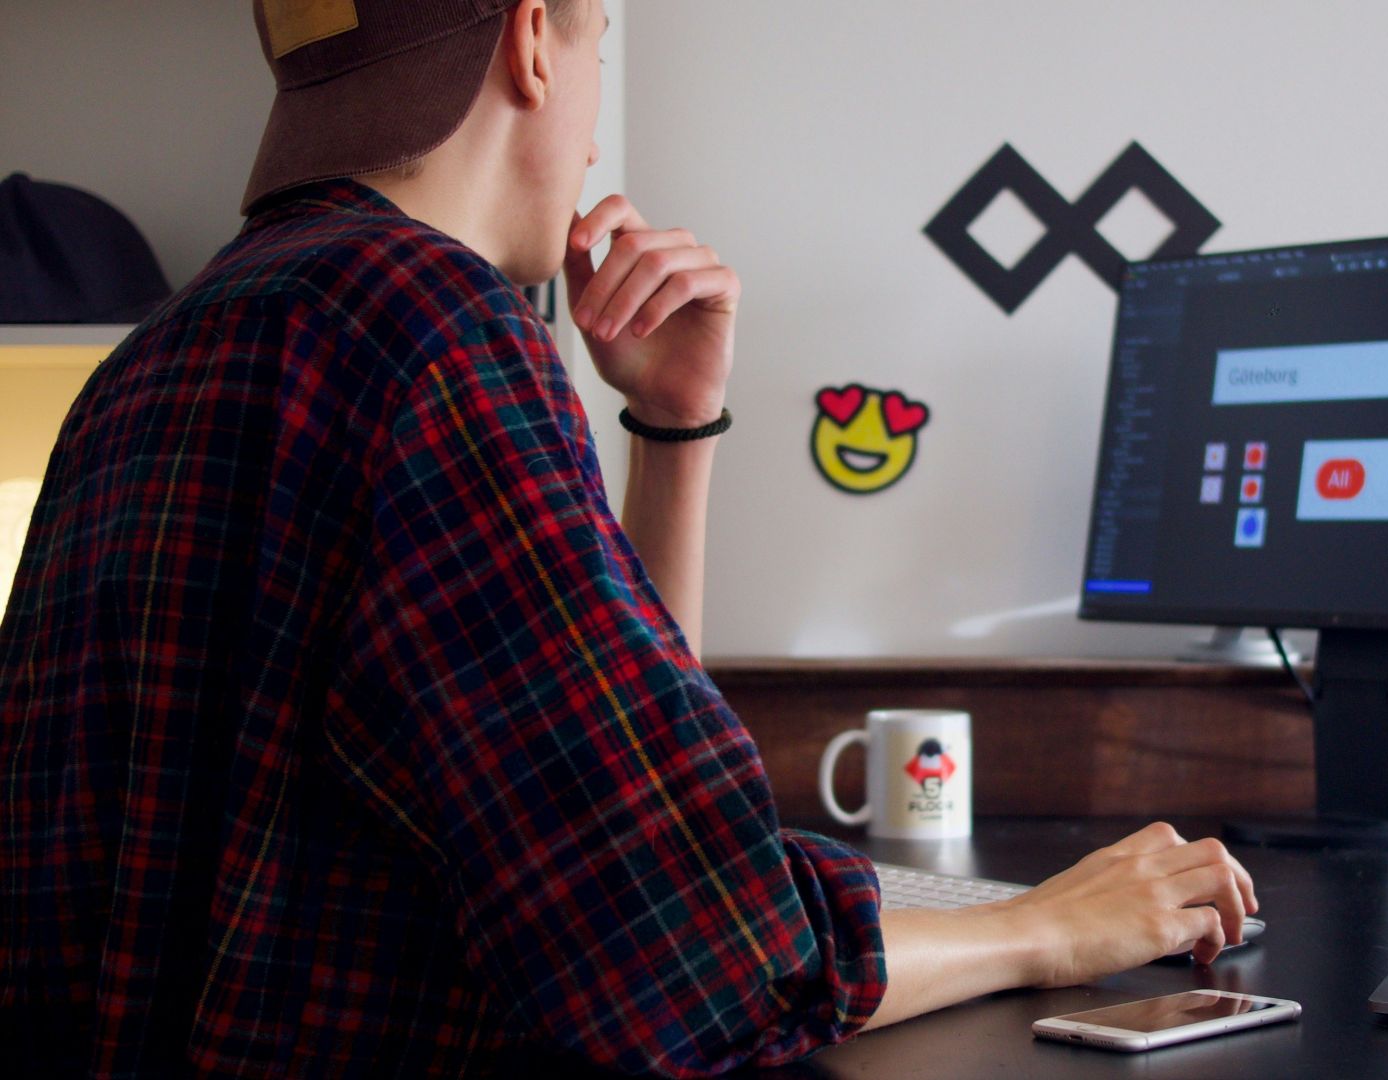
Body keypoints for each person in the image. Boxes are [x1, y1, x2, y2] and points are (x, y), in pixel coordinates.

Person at [0, 2, 1257, 1075]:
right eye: (602, 32)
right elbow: (694, 956)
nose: (592, 107)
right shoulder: (431, 326)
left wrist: (670, 429)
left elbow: (619, 794)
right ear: (537, 39)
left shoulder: (165, 346)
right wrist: (1049, 927)